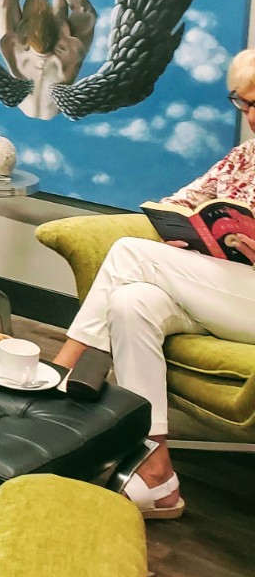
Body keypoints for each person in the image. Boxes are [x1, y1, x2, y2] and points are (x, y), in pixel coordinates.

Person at [53, 47, 255, 517]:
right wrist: (187, 230)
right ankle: (155, 469)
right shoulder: (244, 157)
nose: (250, 117)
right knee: (131, 302)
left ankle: (63, 371)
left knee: (129, 252)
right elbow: (179, 203)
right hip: (223, 292)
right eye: (242, 103)